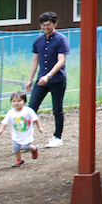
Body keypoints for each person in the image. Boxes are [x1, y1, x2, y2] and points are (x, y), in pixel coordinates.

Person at [26, 12, 68, 148]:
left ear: (55, 24)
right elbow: (35, 61)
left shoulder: (61, 39)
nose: (45, 28)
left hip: (57, 80)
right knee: (31, 108)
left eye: (48, 25)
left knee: (57, 109)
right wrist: (30, 80)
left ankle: (57, 137)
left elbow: (61, 61)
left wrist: (48, 76)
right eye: (43, 25)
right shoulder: (38, 40)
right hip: (41, 80)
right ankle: (26, 138)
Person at [0, 92, 42, 168]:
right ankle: (19, 159)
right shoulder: (10, 113)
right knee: (15, 148)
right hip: (16, 134)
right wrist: (1, 129)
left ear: (24, 101)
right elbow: (5, 122)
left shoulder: (28, 111)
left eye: (19, 101)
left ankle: (34, 148)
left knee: (25, 147)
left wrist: (39, 127)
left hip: (26, 134)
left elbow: (35, 119)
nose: (16, 103)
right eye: (14, 101)